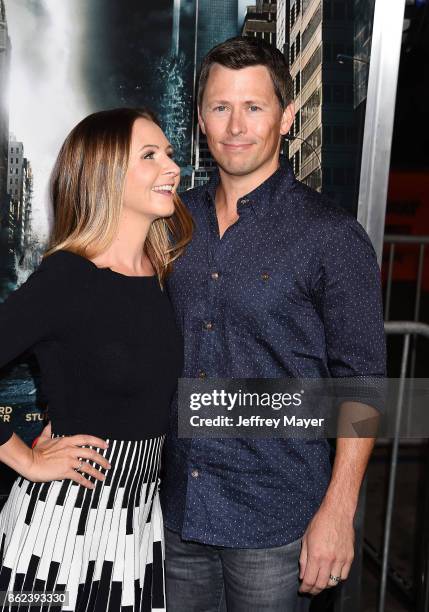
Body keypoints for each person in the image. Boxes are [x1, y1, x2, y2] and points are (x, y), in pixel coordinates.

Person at [161, 36, 386, 611]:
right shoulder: (171, 225)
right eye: (220, 106)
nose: (236, 126)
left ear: (287, 117)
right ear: (202, 119)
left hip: (277, 520)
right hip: (178, 511)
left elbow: (362, 384)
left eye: (254, 107)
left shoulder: (331, 237)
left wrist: (338, 512)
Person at [0, 107, 192, 611]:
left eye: (168, 154)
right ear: (105, 174)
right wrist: (23, 457)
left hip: (137, 525)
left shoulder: (163, 273)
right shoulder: (67, 276)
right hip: (62, 526)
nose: (172, 167)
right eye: (149, 156)